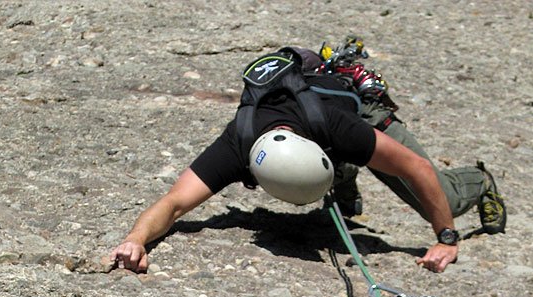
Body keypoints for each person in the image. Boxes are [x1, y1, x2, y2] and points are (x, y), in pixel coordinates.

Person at [110, 37, 506, 276]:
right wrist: (136, 240)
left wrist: (446, 237)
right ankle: (345, 182)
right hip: (323, 136)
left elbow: (415, 168)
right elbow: (174, 203)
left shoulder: (341, 128)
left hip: (357, 115)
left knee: (443, 199)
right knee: (348, 169)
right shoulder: (238, 143)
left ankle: (479, 181)